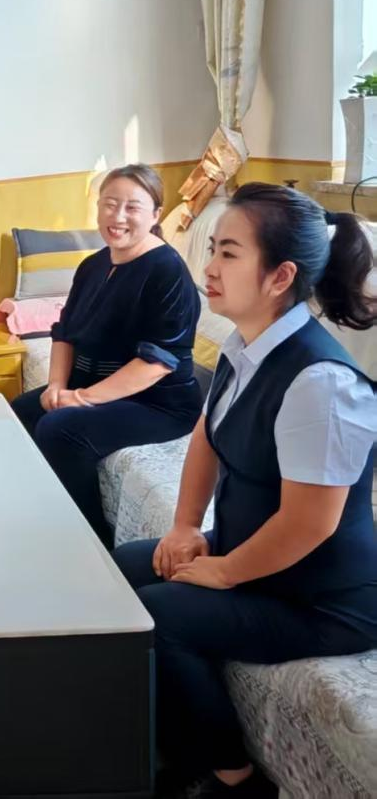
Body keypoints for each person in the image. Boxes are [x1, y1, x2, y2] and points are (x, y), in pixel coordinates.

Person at [113, 184, 377, 797]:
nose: (209, 267)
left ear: (280, 276)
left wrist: (226, 571)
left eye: (228, 253)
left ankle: (232, 777)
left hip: (321, 598)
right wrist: (185, 526)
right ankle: (161, 734)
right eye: (213, 249)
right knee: (125, 568)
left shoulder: (321, 383)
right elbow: (207, 436)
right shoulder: (245, 346)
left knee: (160, 613)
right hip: (258, 554)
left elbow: (311, 523)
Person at [11, 164, 202, 545]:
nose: (118, 217)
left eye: (132, 207)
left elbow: (157, 363)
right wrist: (56, 385)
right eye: (110, 204)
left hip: (157, 403)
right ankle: (40, 512)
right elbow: (64, 332)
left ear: (155, 214)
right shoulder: (93, 265)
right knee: (21, 411)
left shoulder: (167, 271)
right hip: (94, 384)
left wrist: (80, 399)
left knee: (61, 429)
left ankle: (88, 541)